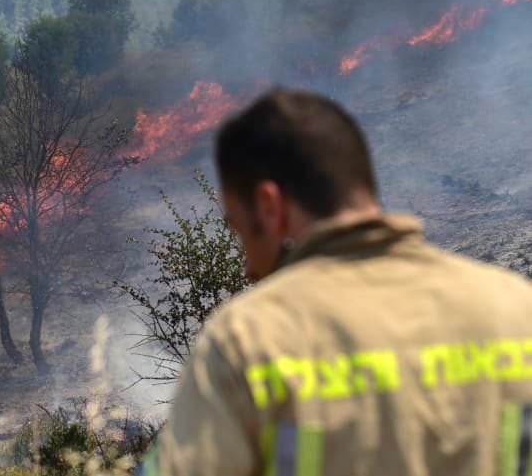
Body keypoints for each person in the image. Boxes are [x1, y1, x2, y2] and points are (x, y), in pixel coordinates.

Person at [140, 88, 532, 476]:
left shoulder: (249, 339)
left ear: (270, 206)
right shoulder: (516, 308)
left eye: (240, 231)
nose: (247, 268)